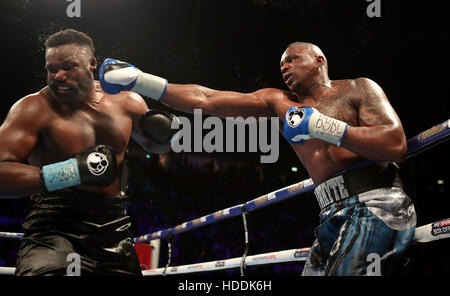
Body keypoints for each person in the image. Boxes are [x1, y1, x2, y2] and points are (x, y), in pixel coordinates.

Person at [100, 41, 417, 276]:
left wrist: (321, 125)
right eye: (282, 64)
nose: (284, 67)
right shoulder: (279, 102)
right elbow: (208, 100)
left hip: (375, 202)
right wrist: (141, 80)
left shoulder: (357, 89)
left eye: (292, 59)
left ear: (320, 60)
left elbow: (394, 143)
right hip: (330, 214)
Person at [0, 29, 179, 276]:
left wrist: (164, 134)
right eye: (51, 69)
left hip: (114, 227)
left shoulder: (127, 102)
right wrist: (70, 172)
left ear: (92, 63)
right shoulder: (32, 108)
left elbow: (157, 147)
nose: (58, 77)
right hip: (54, 226)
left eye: (68, 67)